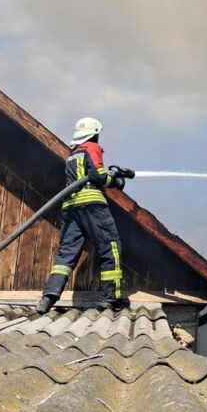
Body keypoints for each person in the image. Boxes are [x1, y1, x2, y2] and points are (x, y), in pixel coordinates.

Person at [35, 117, 130, 314]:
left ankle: (48, 297)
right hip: (92, 205)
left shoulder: (72, 155)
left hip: (70, 208)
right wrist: (117, 182)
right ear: (94, 133)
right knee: (111, 247)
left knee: (66, 255)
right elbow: (98, 177)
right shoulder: (92, 148)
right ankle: (112, 298)